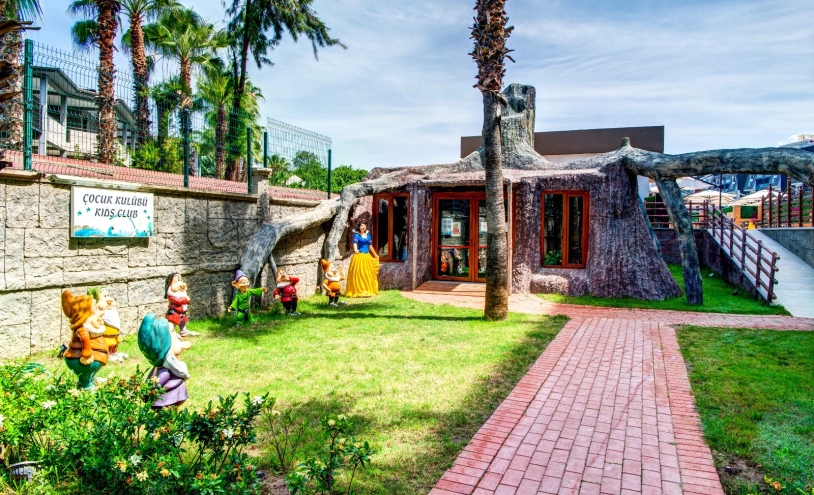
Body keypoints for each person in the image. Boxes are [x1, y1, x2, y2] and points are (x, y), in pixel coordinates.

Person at [137, 313, 191, 409]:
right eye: (173, 332)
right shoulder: (165, 371)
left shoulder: (169, 365)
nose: (176, 336)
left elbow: (176, 347)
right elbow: (157, 383)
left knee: (173, 411)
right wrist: (149, 392)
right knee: (168, 411)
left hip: (174, 397)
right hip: (166, 400)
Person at [61, 290, 108, 390]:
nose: (97, 310)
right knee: (87, 368)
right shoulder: (82, 330)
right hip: (80, 358)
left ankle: (89, 379)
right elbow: (84, 338)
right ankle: (86, 384)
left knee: (89, 369)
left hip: (93, 355)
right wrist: (87, 354)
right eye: (94, 307)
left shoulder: (89, 324)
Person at [344, 221, 380, 297]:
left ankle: (367, 290)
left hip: (367, 256)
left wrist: (375, 254)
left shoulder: (368, 235)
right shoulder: (357, 235)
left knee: (367, 273)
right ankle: (359, 290)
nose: (363, 227)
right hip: (359, 255)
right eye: (361, 226)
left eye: (364, 225)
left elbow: (370, 246)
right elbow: (355, 243)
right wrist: (355, 249)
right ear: (359, 227)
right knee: (359, 273)